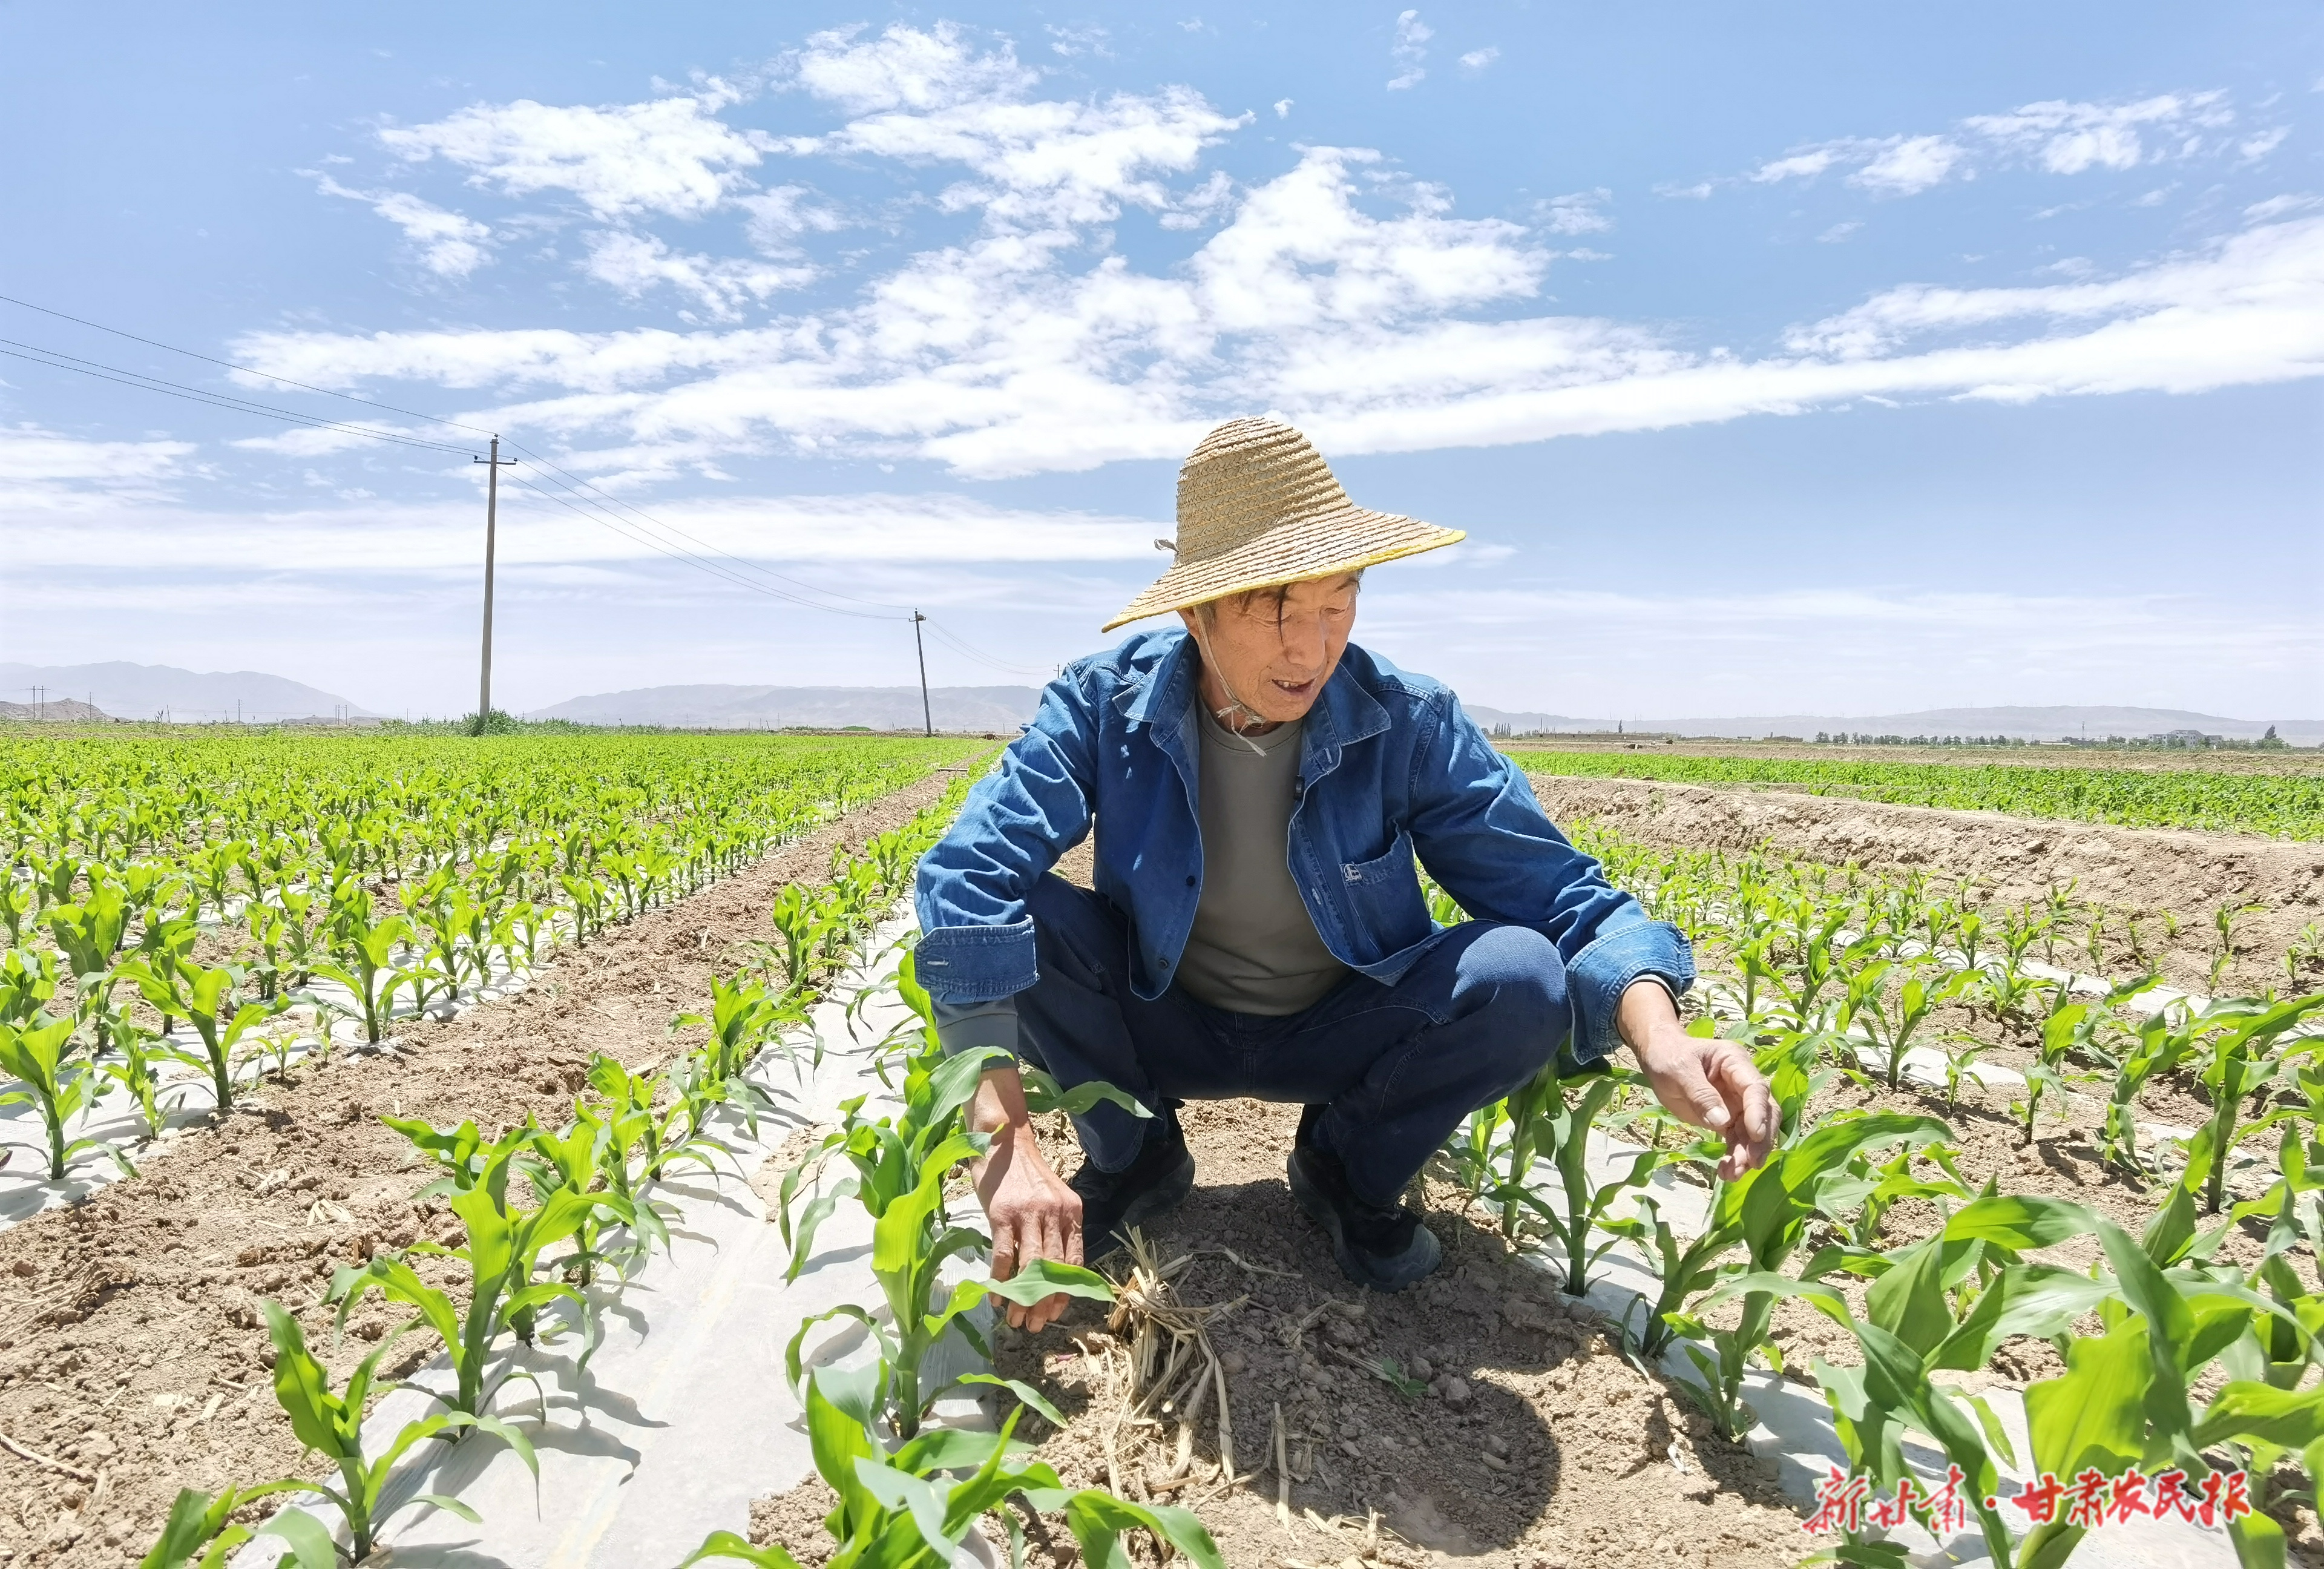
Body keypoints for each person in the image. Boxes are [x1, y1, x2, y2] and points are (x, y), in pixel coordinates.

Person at [913, 416, 1774, 1332]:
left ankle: (1344, 1168)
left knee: (1521, 974)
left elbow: (1561, 897)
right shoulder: (1103, 702)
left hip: (1338, 1031)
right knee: (1023, 913)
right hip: (1160, 1021)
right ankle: (1134, 1154)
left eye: (1337, 603)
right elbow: (964, 875)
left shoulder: (1408, 720)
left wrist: (1660, 1036)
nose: (1310, 648)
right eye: (1271, 607)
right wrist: (1005, 1145)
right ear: (1196, 613)